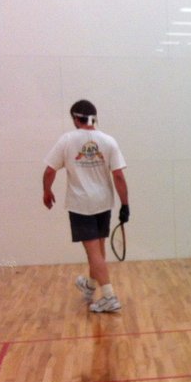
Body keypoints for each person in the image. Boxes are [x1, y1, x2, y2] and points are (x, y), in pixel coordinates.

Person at [42, 99, 129, 313]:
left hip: (81, 204)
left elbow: (50, 170)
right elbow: (118, 175)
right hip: (103, 202)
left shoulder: (67, 140)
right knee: (98, 250)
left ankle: (109, 297)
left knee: (93, 253)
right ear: (94, 118)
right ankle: (90, 286)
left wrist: (47, 190)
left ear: (75, 118)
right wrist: (125, 204)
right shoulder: (108, 141)